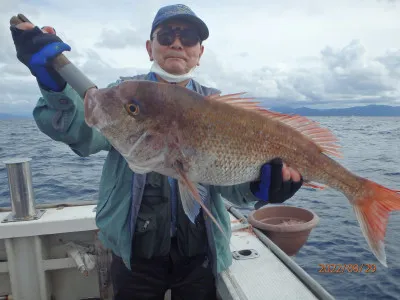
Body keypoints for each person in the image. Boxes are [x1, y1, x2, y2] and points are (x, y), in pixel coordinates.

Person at [10, 4, 303, 300]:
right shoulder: (126, 95)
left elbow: (233, 186)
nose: (177, 43)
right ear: (150, 48)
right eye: (166, 36)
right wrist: (55, 84)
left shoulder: (220, 109)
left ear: (200, 53)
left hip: (201, 254)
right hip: (134, 255)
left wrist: (262, 188)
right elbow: (82, 133)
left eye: (188, 37)